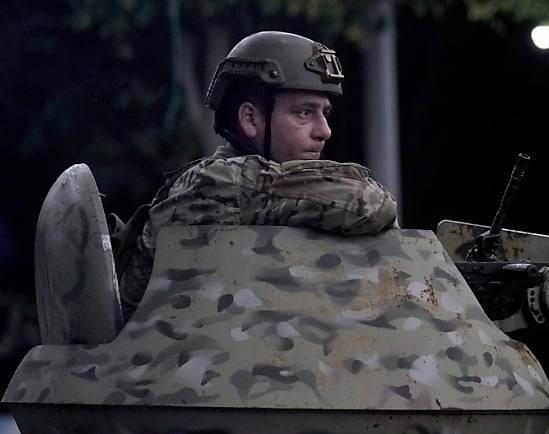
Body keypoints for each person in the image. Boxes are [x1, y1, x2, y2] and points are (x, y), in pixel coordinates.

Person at [116, 31, 398, 318]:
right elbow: (368, 205)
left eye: (324, 113)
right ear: (250, 119)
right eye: (304, 113)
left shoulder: (255, 194)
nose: (324, 130)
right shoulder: (218, 183)